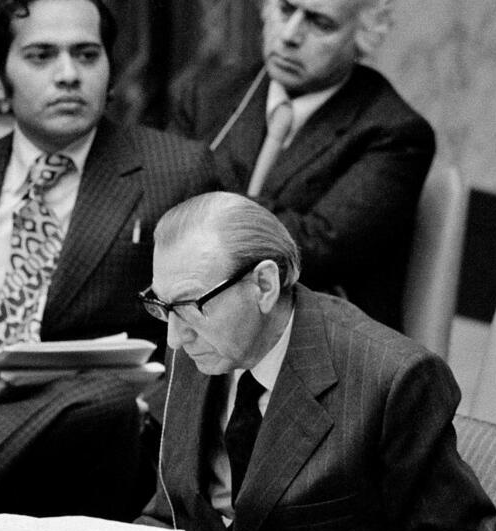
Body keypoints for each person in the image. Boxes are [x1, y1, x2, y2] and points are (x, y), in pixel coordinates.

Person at [0, 0, 218, 517]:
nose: (69, 75)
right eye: (41, 56)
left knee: (104, 399)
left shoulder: (175, 172)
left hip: (90, 448)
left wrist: (150, 411)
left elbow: (208, 333)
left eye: (87, 55)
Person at [137, 192, 496, 531]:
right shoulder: (196, 346)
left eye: (190, 306)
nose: (174, 338)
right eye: (161, 307)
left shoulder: (392, 379)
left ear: (264, 285)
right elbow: (174, 517)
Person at [168, 0, 435, 331]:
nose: (290, 35)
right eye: (285, 9)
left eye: (320, 23)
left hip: (319, 335)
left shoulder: (394, 132)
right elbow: (160, 199)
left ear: (364, 34)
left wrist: (200, 200)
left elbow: (312, 250)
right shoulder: (206, 93)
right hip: (194, 318)